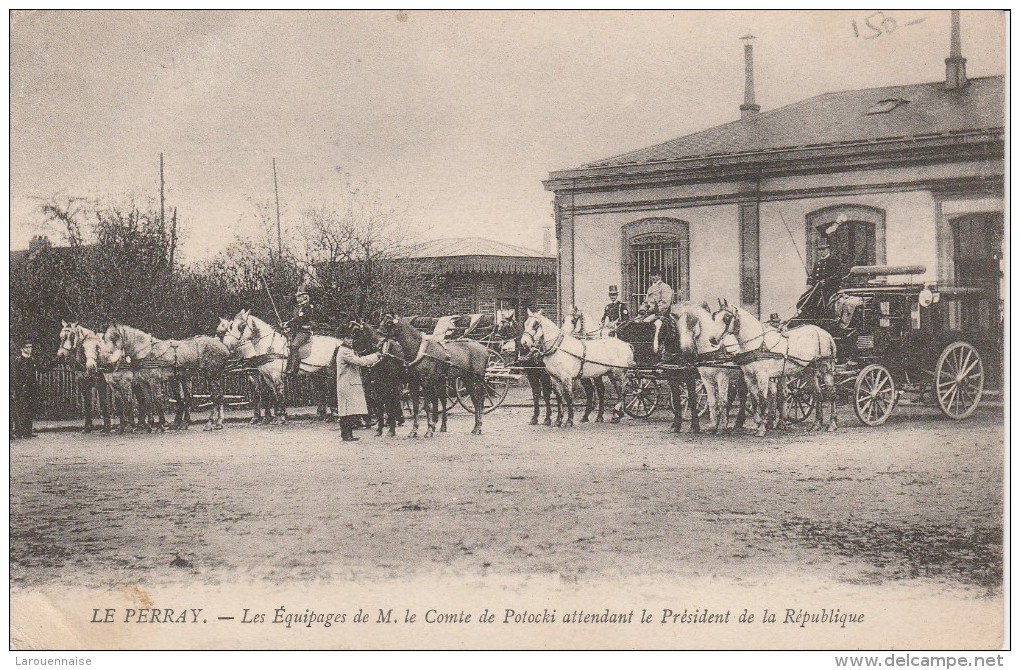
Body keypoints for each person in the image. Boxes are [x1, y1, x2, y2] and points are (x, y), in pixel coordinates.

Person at [335, 335, 382, 442]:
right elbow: (359, 362)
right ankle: (346, 435)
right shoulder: (345, 351)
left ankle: (348, 434)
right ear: (342, 339)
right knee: (347, 412)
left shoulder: (347, 350)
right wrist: (376, 356)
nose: (350, 341)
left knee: (349, 411)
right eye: (347, 338)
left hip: (349, 384)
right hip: (347, 385)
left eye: (351, 338)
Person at [11, 338, 54, 438]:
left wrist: (53, 362)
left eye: (30, 347)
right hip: (21, 388)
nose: (30, 349)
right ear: (22, 349)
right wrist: (17, 387)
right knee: (21, 410)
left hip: (32, 388)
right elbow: (15, 375)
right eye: (27, 347)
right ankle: (19, 432)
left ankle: (28, 432)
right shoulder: (18, 361)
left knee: (30, 409)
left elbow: (43, 370)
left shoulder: (33, 360)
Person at [796, 238, 843, 317]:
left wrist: (825, 281)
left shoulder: (834, 261)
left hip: (829, 288)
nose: (821, 251)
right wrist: (810, 281)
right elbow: (813, 275)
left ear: (828, 249)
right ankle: (806, 316)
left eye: (823, 249)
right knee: (803, 299)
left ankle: (819, 318)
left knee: (821, 302)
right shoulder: (818, 263)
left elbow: (837, 275)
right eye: (819, 249)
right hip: (817, 288)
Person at [283, 290, 315, 376]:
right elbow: (295, 319)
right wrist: (287, 324)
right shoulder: (297, 307)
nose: (297, 298)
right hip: (296, 331)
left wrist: (289, 323)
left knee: (294, 346)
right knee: (286, 345)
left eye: (299, 296)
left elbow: (301, 319)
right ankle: (287, 366)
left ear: (305, 296)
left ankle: (294, 369)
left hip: (304, 331)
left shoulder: (308, 307)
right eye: (297, 296)